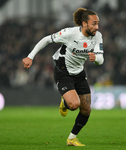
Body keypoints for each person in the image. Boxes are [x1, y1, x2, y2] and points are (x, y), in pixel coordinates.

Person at [22, 7, 104, 146]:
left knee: (86, 109)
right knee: (74, 105)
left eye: (97, 23)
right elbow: (46, 39)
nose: (97, 27)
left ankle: (71, 138)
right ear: (84, 23)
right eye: (94, 23)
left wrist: (95, 57)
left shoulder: (97, 36)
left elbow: (101, 59)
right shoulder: (69, 33)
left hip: (79, 73)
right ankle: (65, 102)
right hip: (63, 72)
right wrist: (30, 57)